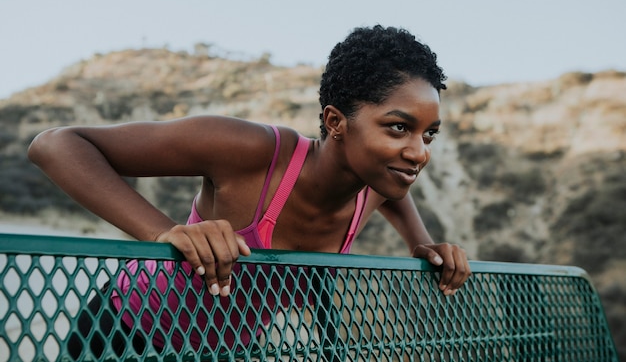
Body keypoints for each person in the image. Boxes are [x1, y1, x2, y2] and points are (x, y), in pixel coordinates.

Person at [28, 25, 471, 356]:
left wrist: (423, 244)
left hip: (226, 349)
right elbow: (57, 145)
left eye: (428, 134)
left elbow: (397, 197)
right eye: (398, 128)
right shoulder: (252, 152)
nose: (418, 153)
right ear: (336, 122)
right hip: (125, 333)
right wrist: (165, 233)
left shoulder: (378, 181)